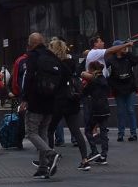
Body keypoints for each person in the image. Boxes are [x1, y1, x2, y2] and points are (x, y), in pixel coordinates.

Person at [46, 39, 95, 170]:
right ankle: (85, 159)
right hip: (72, 100)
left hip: (59, 101)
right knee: (76, 131)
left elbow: (54, 84)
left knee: (50, 130)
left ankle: (50, 158)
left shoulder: (55, 64)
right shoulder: (71, 63)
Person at [17, 32, 59, 177]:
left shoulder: (32, 56)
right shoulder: (51, 55)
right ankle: (43, 166)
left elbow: (28, 78)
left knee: (31, 132)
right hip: (50, 100)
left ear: (31, 43)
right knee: (43, 132)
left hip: (36, 100)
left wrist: (24, 98)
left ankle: (50, 154)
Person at [108, 40, 138, 142]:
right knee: (120, 112)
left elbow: (135, 61)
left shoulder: (127, 57)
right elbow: (107, 72)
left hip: (129, 87)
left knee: (130, 110)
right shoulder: (111, 59)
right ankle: (120, 134)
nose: (123, 48)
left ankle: (133, 133)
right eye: (121, 46)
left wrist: (128, 53)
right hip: (118, 88)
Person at [81, 61, 111, 165]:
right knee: (103, 132)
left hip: (95, 109)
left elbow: (84, 92)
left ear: (92, 70)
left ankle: (94, 150)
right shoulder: (103, 79)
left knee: (88, 130)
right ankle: (104, 155)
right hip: (105, 108)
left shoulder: (93, 81)